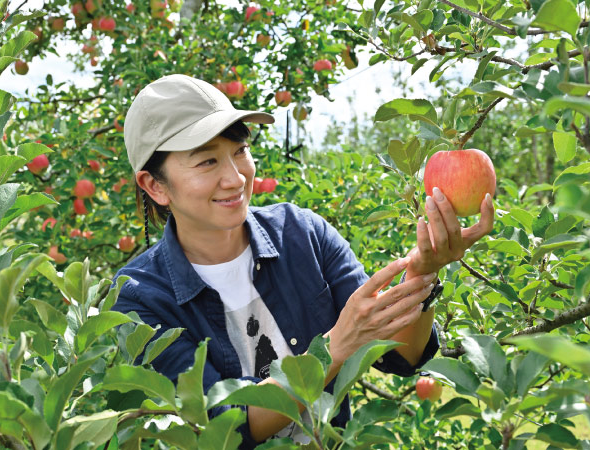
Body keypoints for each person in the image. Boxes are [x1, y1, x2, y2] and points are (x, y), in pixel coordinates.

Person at [111, 74, 494, 448]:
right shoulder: (138, 298)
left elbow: (399, 356)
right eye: (207, 162)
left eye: (240, 151)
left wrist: (423, 274)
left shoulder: (302, 233)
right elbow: (221, 430)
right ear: (155, 186)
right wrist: (336, 346)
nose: (235, 177)